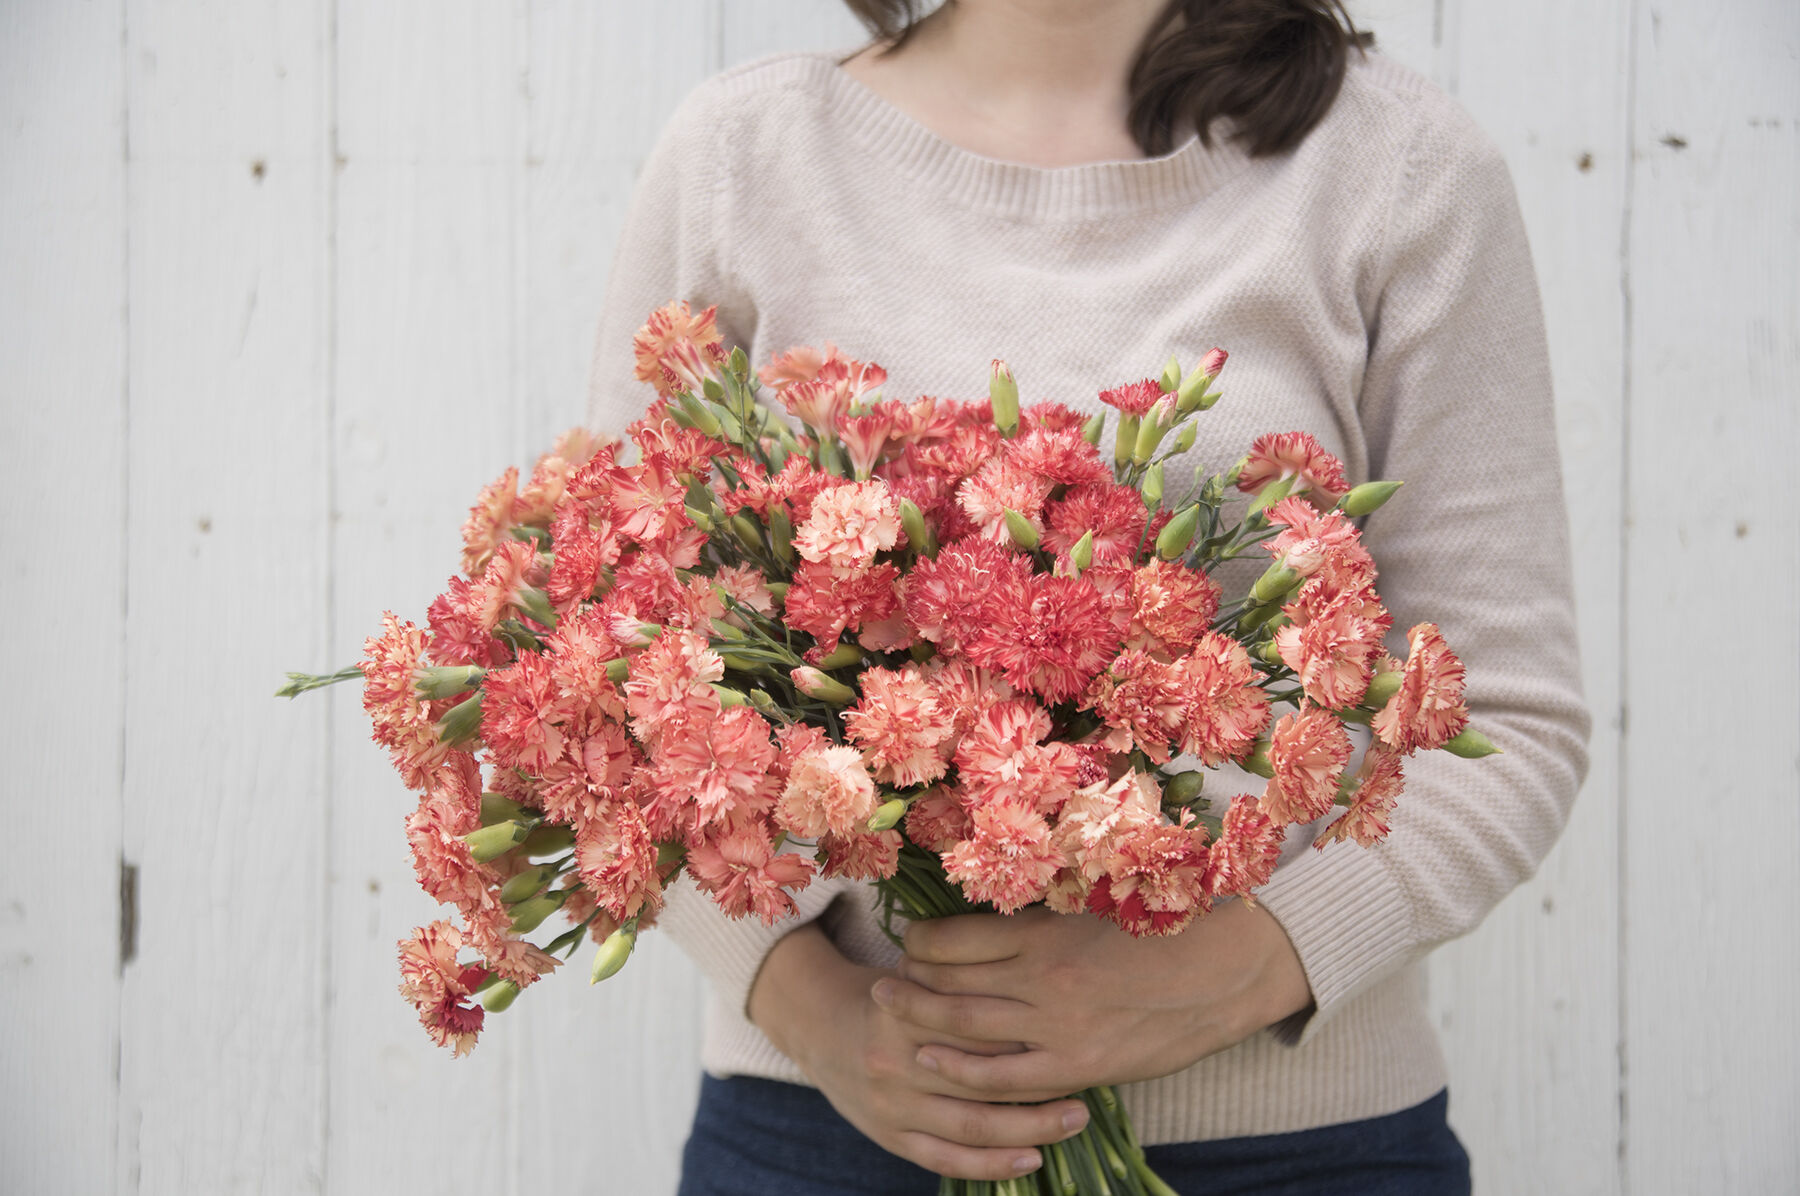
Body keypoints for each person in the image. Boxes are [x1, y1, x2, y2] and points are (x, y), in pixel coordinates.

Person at [584, 1, 1591, 1192]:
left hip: (1300, 1150)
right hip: (825, 1135)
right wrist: (818, 1010)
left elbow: (1508, 721)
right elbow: (607, 671)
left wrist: (1244, 966)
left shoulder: (1396, 169)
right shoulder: (743, 156)